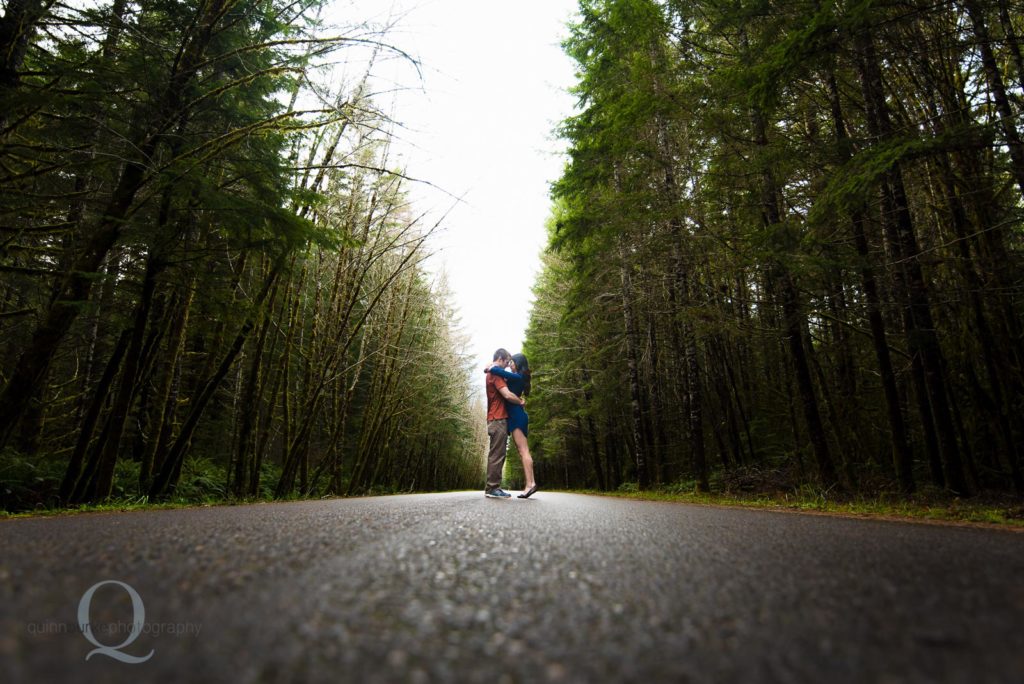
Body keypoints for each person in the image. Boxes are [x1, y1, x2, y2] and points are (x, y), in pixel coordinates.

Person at [486, 353, 538, 499]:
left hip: (516, 416)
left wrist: (489, 367)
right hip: (516, 415)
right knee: (523, 450)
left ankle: (530, 484)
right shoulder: (516, 376)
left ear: (519, 363)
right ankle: (530, 483)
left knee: (523, 451)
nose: (510, 365)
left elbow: (497, 371)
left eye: (512, 362)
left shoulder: (518, 376)